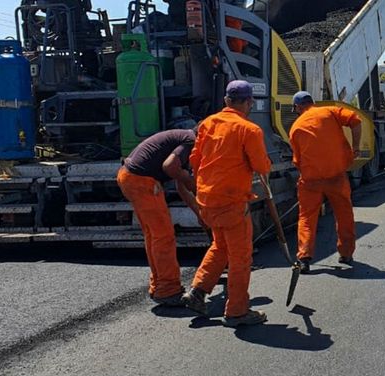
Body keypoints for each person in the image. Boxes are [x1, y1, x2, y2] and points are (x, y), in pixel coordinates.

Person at [181, 80, 272, 327]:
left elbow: (195, 161)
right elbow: (261, 166)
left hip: (206, 199)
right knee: (241, 257)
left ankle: (198, 291)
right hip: (231, 201)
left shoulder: (207, 124)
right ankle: (237, 312)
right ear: (248, 102)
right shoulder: (249, 129)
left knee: (220, 247)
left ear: (226, 101)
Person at [117, 129, 201, 306]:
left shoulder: (182, 139)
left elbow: (181, 188)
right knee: (163, 236)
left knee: (154, 236)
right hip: (142, 181)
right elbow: (170, 167)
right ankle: (168, 290)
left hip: (129, 176)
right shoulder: (191, 140)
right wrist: (188, 178)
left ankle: (159, 286)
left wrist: (200, 213)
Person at [288, 91, 362, 270]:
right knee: (344, 213)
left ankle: (304, 257)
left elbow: (297, 161)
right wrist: (356, 147)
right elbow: (356, 121)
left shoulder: (295, 127)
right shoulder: (330, 111)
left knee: (306, 217)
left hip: (310, 181)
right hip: (336, 176)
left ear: (298, 107)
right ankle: (346, 254)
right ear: (313, 102)